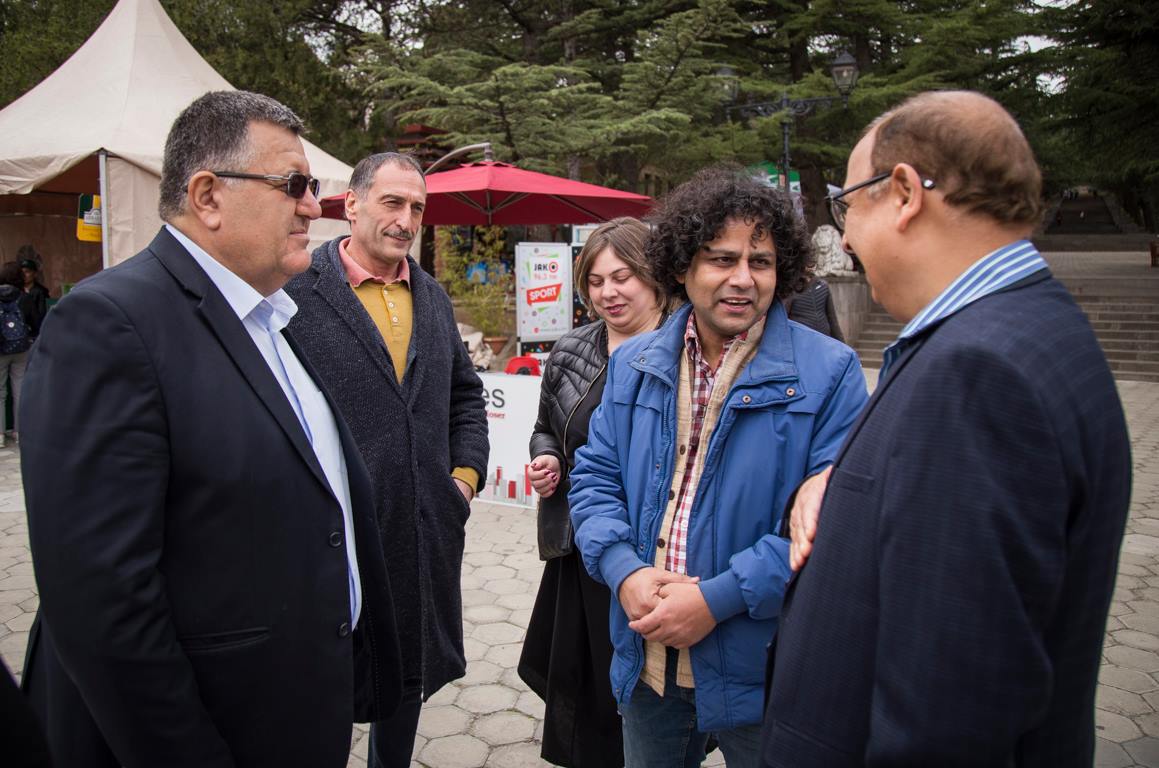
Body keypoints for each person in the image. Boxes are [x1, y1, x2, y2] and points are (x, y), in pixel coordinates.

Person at [19, 90, 402, 768]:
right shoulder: (109, 324)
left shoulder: (270, 315)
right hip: (210, 732)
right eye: (294, 185)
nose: (313, 207)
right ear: (207, 196)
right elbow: (102, 604)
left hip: (290, 711)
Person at [763, 91, 1132, 766]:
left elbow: (948, 708)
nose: (845, 237)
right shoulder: (1034, 328)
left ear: (904, 193)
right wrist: (841, 487)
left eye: (848, 205)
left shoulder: (977, 372)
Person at [568, 166, 869, 768]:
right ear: (682, 266)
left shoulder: (831, 372)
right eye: (722, 259)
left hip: (764, 669)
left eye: (761, 262)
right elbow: (595, 478)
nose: (743, 279)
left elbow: (837, 522)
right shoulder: (634, 363)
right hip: (648, 657)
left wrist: (716, 600)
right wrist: (625, 571)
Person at [284, 152, 489, 768]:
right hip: (327, 538)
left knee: (406, 681)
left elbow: (464, 396)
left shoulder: (431, 297)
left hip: (419, 531)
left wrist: (463, 481)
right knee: (315, 690)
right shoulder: (295, 292)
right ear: (351, 204)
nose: (406, 220)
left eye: (417, 208)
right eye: (392, 202)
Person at [518, 217, 668, 768]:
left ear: (653, 276)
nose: (608, 293)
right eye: (596, 281)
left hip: (653, 553)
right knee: (588, 685)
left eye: (622, 277)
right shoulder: (570, 350)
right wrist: (548, 458)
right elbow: (545, 426)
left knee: (650, 692)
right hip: (582, 547)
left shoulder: (685, 349)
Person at [0, 262, 33, 446]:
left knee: (0, 392)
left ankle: (0, 434)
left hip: (0, 349)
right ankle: (20, 431)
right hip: (21, 347)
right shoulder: (24, 297)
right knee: (20, 389)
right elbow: (35, 321)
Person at [783, 277, 843, 342]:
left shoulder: (823, 285)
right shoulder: (790, 289)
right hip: (802, 341)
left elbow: (832, 320)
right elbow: (783, 319)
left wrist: (843, 345)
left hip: (824, 340)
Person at [16, 246, 49, 336]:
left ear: (35, 274)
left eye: (27, 272)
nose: (24, 275)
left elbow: (42, 314)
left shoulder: (40, 292)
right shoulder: (16, 290)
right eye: (22, 272)